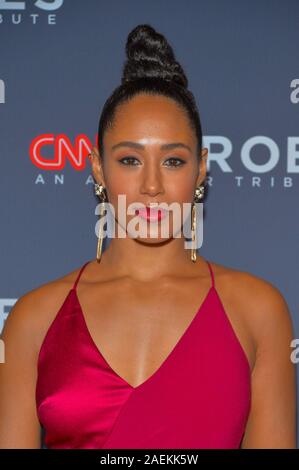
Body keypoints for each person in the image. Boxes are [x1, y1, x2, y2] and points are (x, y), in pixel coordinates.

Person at [0, 24, 296, 449]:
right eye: (130, 159)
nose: (152, 185)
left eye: (173, 160)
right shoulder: (33, 319)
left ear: (201, 169)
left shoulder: (258, 311)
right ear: (98, 169)